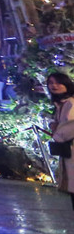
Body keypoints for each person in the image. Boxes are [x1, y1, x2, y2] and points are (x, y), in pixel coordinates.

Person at [47, 70, 74, 210]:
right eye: (50, 83)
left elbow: (71, 126)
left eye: (57, 82)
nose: (54, 85)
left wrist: (57, 132)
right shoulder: (61, 104)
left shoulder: (71, 103)